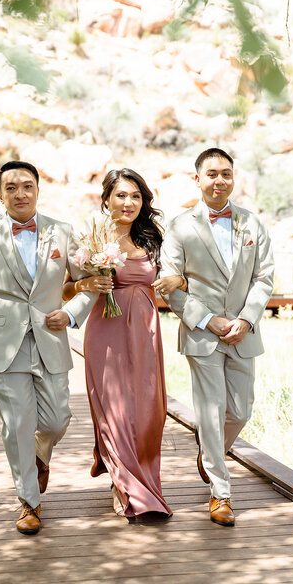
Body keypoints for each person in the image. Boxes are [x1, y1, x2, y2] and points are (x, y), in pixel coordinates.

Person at [0, 160, 97, 535]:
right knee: (17, 423)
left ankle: (41, 452)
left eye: (27, 186)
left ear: (38, 190)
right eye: (11, 188)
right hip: (3, 342)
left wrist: (70, 315)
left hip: (51, 338)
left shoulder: (63, 232)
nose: (20, 193)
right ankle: (28, 502)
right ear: (0, 194)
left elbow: (90, 282)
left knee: (56, 419)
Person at [160, 148, 274, 527]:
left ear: (233, 178)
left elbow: (264, 279)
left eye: (226, 173)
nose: (219, 180)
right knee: (210, 410)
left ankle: (211, 452)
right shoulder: (179, 226)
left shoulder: (252, 224)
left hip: (243, 333)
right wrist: (207, 320)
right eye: (211, 174)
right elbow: (171, 284)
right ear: (198, 179)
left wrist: (246, 319)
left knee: (240, 410)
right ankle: (220, 494)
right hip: (202, 334)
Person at [63, 168, 185, 518]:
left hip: (146, 332)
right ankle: (123, 483)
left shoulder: (152, 239)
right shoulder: (92, 241)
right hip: (107, 329)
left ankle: (142, 476)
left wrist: (180, 280)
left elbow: (175, 278)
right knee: (115, 407)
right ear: (106, 200)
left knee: (148, 410)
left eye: (136, 196)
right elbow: (67, 288)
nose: (129, 202)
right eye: (121, 195)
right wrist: (87, 285)